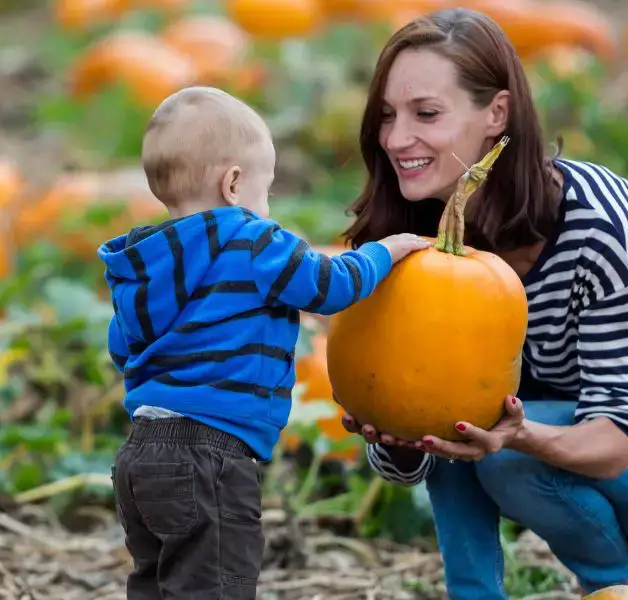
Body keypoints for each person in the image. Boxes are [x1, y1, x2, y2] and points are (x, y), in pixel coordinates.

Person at [333, 8, 628, 599]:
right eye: (388, 116)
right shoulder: (412, 238)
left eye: (426, 114)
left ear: (496, 113)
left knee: (492, 443)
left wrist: (516, 438)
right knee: (461, 425)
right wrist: (393, 433)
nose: (396, 138)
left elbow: (613, 436)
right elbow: (419, 459)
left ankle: (617, 588)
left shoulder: (599, 225)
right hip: (536, 438)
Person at [97, 85, 430, 599]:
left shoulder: (144, 263)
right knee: (217, 586)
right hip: (210, 453)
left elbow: (123, 348)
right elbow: (327, 286)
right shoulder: (250, 238)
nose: (266, 204)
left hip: (141, 457)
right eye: (265, 189)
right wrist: (383, 253)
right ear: (233, 184)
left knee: (157, 584)